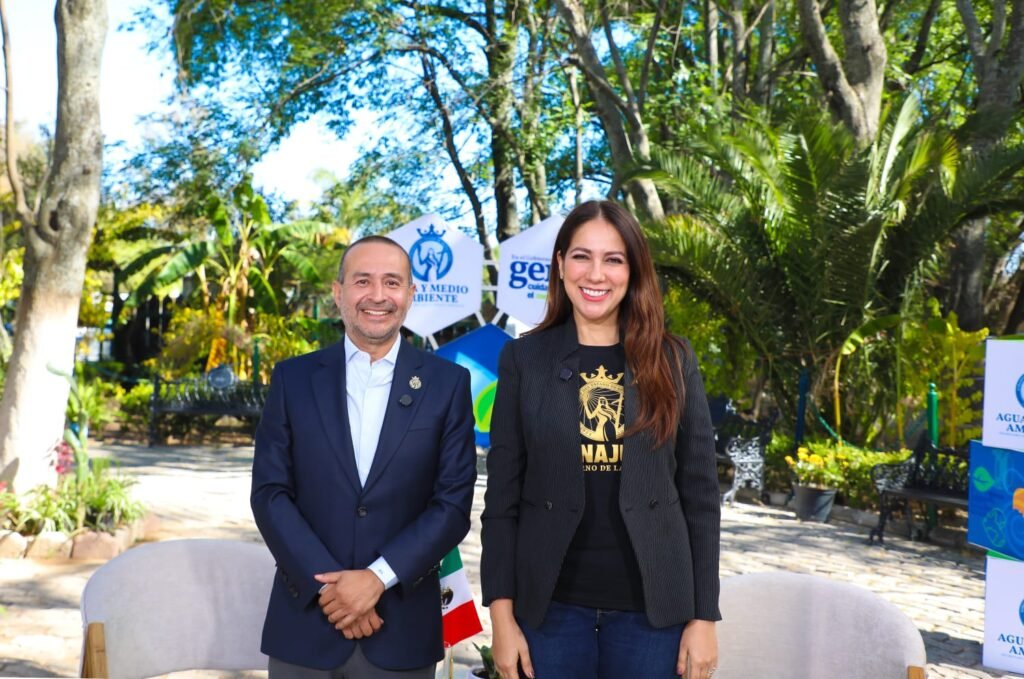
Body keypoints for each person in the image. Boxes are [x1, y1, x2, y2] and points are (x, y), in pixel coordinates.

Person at [480, 200, 721, 679]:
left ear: (633, 271)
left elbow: (701, 497)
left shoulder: (673, 359)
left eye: (613, 259)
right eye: (581, 256)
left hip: (653, 614)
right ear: (560, 264)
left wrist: (704, 616)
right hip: (548, 611)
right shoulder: (523, 360)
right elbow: (502, 499)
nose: (596, 273)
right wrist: (501, 618)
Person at [251, 235, 477, 678]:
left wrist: (376, 579)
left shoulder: (448, 384)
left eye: (392, 282)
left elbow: (451, 506)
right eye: (362, 281)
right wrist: (332, 591)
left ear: (411, 295)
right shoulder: (292, 379)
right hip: (306, 627)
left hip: (401, 628)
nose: (377, 296)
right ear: (338, 293)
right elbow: (270, 494)